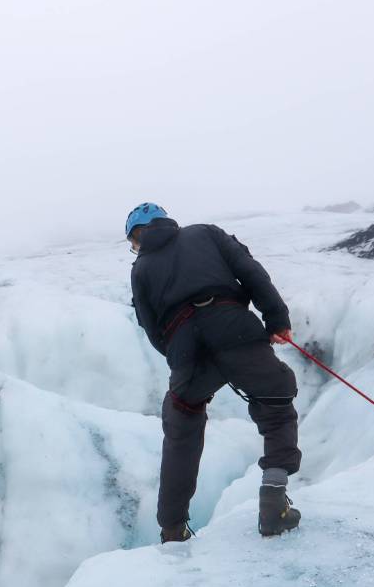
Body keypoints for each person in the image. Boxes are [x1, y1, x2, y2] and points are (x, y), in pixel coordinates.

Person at [126, 202, 302, 543]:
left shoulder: (141, 268)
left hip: (187, 351)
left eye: (132, 242)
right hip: (235, 329)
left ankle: (173, 530)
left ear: (137, 235)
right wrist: (276, 319)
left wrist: (179, 355)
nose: (135, 248)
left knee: (181, 430)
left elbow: (149, 325)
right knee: (276, 402)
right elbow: (250, 271)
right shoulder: (205, 233)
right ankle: (273, 502)